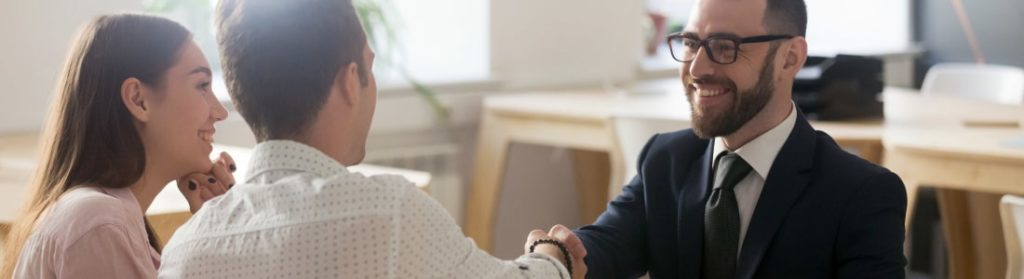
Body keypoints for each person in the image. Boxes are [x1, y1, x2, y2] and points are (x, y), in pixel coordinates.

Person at [157, 0, 586, 278]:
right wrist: (553, 255)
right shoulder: (388, 213)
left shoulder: (183, 252)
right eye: (370, 67)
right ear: (350, 81)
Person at [553, 0, 908, 278]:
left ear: (790, 58)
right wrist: (555, 252)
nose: (697, 69)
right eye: (691, 43)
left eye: (725, 47)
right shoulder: (666, 159)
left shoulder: (861, 195)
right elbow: (607, 245)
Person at [0, 14, 236, 278]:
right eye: (202, 85)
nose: (219, 112)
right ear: (138, 99)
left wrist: (212, 232)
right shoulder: (100, 223)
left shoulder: (102, 218)